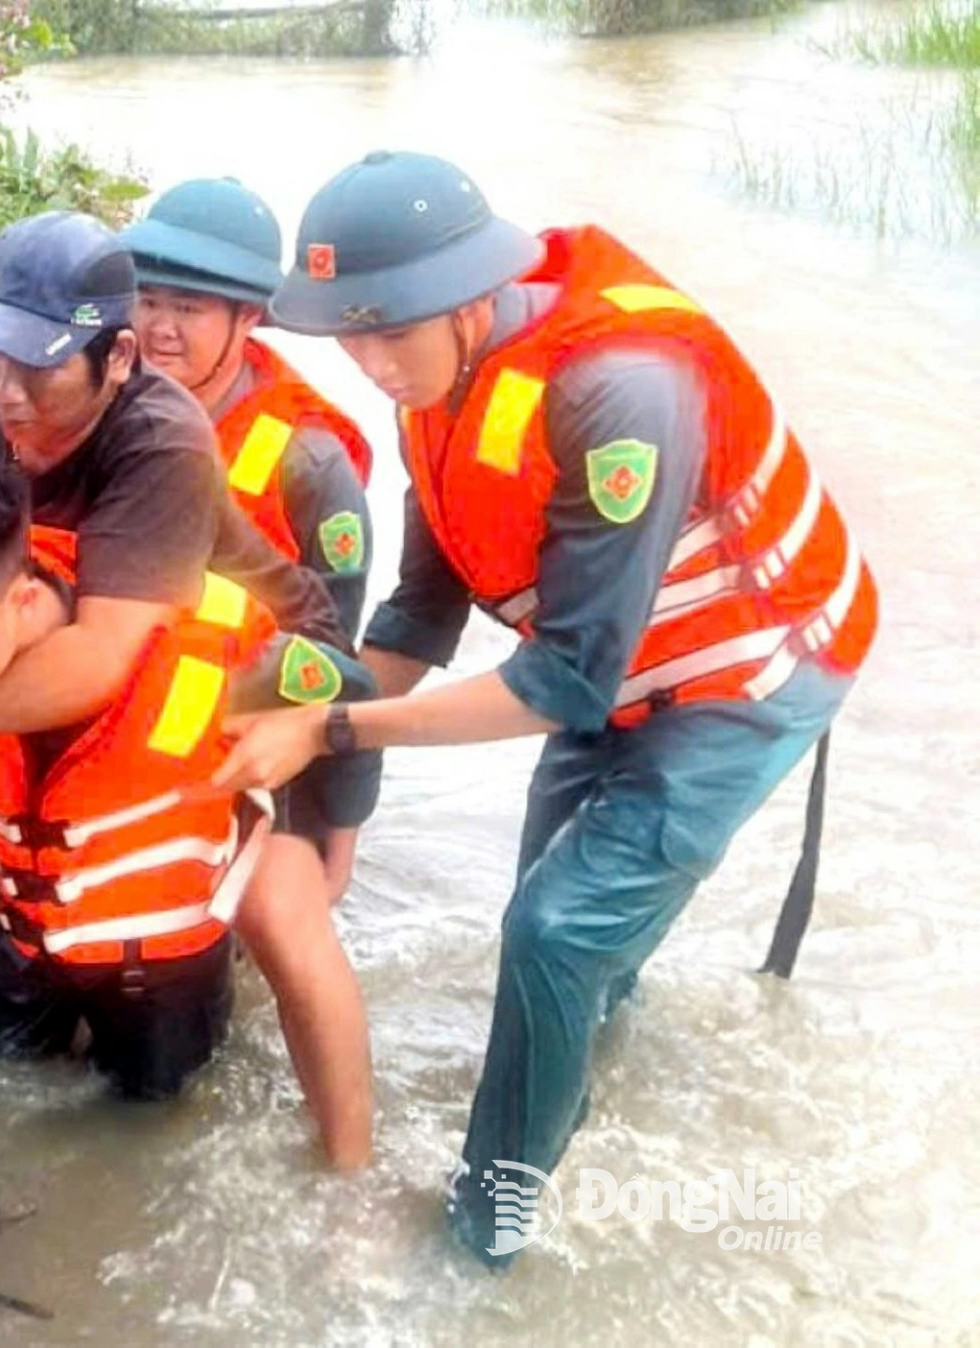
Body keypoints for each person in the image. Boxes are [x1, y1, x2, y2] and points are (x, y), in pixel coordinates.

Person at [214, 150, 878, 1263]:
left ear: (469, 297)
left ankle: (484, 1238)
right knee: (555, 917)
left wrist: (328, 728)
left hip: (751, 677)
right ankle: (587, 1065)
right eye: (348, 338)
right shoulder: (437, 393)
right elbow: (420, 613)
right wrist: (277, 714)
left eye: (391, 332)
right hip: (616, 670)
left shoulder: (623, 390)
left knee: (555, 928)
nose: (371, 363)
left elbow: (562, 682)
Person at [0, 211, 373, 1168]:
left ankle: (349, 1181)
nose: (6, 391)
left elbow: (98, 658)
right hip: (74, 633)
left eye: (38, 367)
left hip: (258, 667)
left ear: (116, 358)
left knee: (276, 912)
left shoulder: (161, 439)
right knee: (9, 852)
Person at [0, 449, 278, 1099]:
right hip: (8, 936)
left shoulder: (208, 643)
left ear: (21, 601)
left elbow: (333, 716)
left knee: (158, 1121)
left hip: (164, 964)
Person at [123, 177, 380, 899]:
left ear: (248, 318)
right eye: (147, 300)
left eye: (188, 308)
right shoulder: (98, 404)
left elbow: (330, 669)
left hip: (244, 743)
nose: (159, 327)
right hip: (116, 718)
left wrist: (333, 848)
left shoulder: (308, 461)